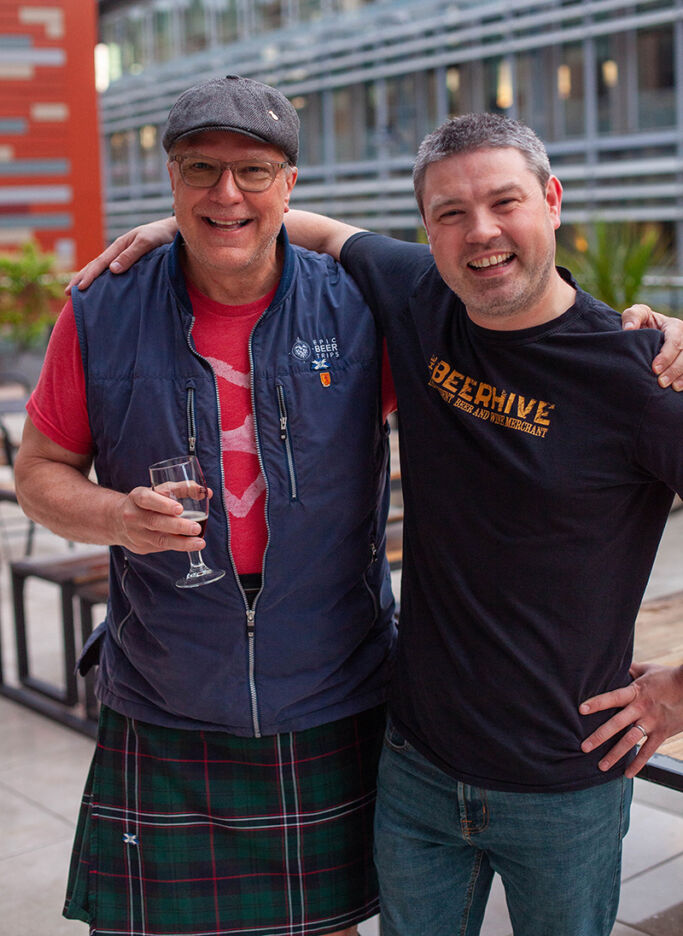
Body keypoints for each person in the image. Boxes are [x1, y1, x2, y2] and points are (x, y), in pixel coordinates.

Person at [79, 113, 683, 936]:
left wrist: (678, 693)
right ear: (425, 229)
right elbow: (313, 225)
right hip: (413, 767)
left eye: (504, 203)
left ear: (550, 198)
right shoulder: (419, 296)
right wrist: (174, 227)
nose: (482, 233)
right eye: (449, 213)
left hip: (562, 781)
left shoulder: (641, 375)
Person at [14, 75, 397, 936]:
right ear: (171, 181)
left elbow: (507, 336)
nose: (226, 192)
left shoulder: (361, 308)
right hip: (166, 691)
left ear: (290, 185)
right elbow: (40, 469)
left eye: (253, 171)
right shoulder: (99, 309)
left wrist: (645, 333)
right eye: (199, 169)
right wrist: (113, 516)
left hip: (332, 686)